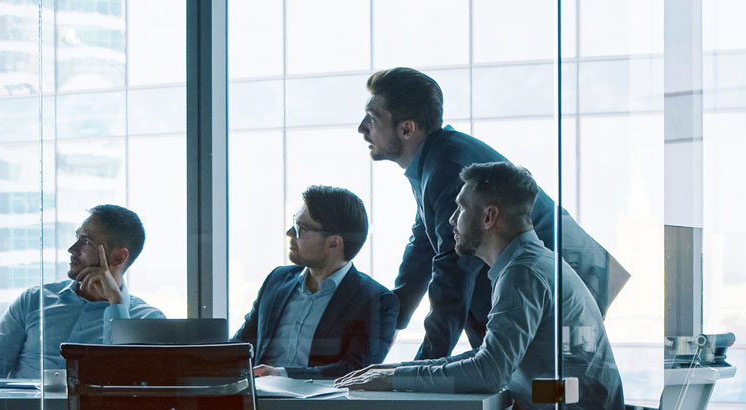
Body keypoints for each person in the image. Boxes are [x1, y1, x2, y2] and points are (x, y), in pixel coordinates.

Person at [358, 67, 630, 360]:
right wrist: (386, 329)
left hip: (567, 289)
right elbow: (422, 250)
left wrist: (417, 374)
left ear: (407, 129)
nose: (362, 128)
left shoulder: (448, 168)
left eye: (372, 118)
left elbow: (453, 274)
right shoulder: (432, 162)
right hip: (560, 284)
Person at [336, 162, 623, 410]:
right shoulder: (528, 264)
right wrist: (395, 370)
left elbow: (490, 372)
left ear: (488, 217)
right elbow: (491, 356)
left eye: (460, 208)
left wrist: (395, 380)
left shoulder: (523, 273)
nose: (451, 219)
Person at [0, 205, 165, 379]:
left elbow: (124, 384)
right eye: (76, 238)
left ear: (118, 256)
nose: (72, 249)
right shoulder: (35, 300)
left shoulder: (148, 322)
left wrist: (116, 305)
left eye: (85, 241)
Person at [232, 186, 397, 380]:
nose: (290, 233)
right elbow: (241, 346)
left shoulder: (376, 301)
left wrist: (282, 375)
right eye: (294, 223)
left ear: (334, 242)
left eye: (301, 228)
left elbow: (355, 370)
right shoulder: (276, 281)